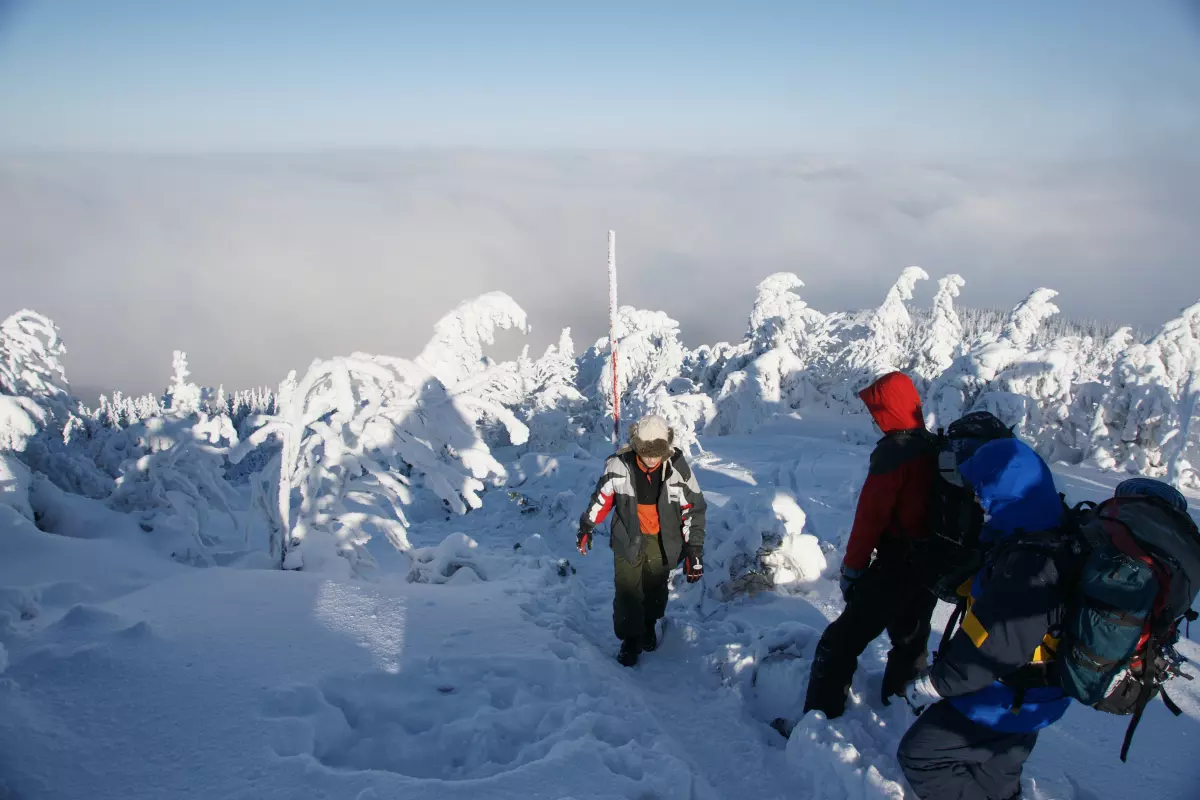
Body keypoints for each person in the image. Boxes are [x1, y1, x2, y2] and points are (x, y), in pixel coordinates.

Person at [897, 438, 1071, 800]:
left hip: (1005, 696)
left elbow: (991, 646)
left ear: (1003, 491)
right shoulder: (1046, 528)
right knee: (998, 768)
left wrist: (934, 684)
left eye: (981, 490)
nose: (976, 498)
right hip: (1039, 693)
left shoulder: (1029, 565)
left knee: (921, 755)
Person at [803, 371, 940, 718]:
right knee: (910, 644)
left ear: (889, 410)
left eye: (877, 410)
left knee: (838, 643)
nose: (875, 419)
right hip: (931, 565)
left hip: (897, 565)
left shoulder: (894, 453)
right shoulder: (933, 446)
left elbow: (870, 518)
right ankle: (900, 710)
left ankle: (819, 719)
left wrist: (853, 568)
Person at [577, 414, 707, 667]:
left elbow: (694, 507)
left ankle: (648, 624)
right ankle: (630, 640)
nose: (651, 459)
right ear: (637, 446)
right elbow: (602, 498)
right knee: (627, 591)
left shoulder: (677, 468)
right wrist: (587, 525)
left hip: (663, 539)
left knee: (655, 587)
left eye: (657, 453)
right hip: (628, 536)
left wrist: (694, 549)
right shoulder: (619, 465)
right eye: (646, 452)